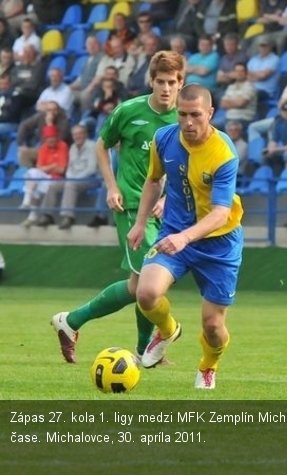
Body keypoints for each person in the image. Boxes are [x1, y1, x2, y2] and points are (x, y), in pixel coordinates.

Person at [50, 51, 186, 364]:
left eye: (172, 82)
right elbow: (101, 144)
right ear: (151, 81)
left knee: (137, 285)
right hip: (131, 206)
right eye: (160, 81)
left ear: (181, 83)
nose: (165, 88)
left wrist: (168, 199)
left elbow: (186, 166)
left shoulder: (185, 118)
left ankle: (70, 322)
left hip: (166, 212)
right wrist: (112, 187)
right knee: (149, 276)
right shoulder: (129, 111)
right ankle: (147, 348)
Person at [129, 84, 244, 391]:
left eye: (196, 115)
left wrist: (186, 237)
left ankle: (208, 365)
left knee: (213, 326)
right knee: (146, 294)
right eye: (182, 114)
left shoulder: (223, 152)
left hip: (219, 243)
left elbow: (221, 212)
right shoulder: (164, 139)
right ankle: (167, 331)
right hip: (174, 233)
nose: (188, 122)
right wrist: (140, 223)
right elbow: (154, 181)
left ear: (210, 113)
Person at [35, 124, 99, 229]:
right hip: (73, 179)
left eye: (80, 134)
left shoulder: (92, 146)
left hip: (91, 179)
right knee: (53, 186)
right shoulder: (73, 147)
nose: (77, 136)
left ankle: (68, 217)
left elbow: (91, 169)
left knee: (70, 184)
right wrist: (70, 177)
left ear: (85, 135)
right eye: (75, 134)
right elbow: (69, 167)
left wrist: (73, 179)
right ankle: (47, 215)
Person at [20, 125, 68, 227]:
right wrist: (53, 166)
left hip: (57, 179)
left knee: (35, 181)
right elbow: (39, 168)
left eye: (53, 137)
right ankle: (28, 205)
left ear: (57, 137)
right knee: (32, 173)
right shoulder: (43, 147)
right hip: (44, 178)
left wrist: (46, 168)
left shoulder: (62, 146)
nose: (51, 140)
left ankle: (30, 213)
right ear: (45, 139)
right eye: (48, 137)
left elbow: (61, 169)